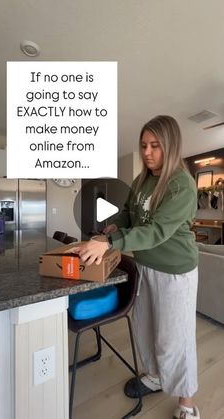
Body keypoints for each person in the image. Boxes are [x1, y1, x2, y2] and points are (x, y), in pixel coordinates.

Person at [74, 115, 199, 419]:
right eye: (144, 145)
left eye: (155, 145)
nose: (147, 152)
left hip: (175, 271)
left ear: (170, 146)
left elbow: (156, 231)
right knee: (145, 329)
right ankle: (155, 377)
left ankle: (187, 403)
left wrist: (112, 244)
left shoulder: (181, 184)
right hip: (145, 266)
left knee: (175, 338)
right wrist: (112, 230)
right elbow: (131, 215)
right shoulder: (142, 180)